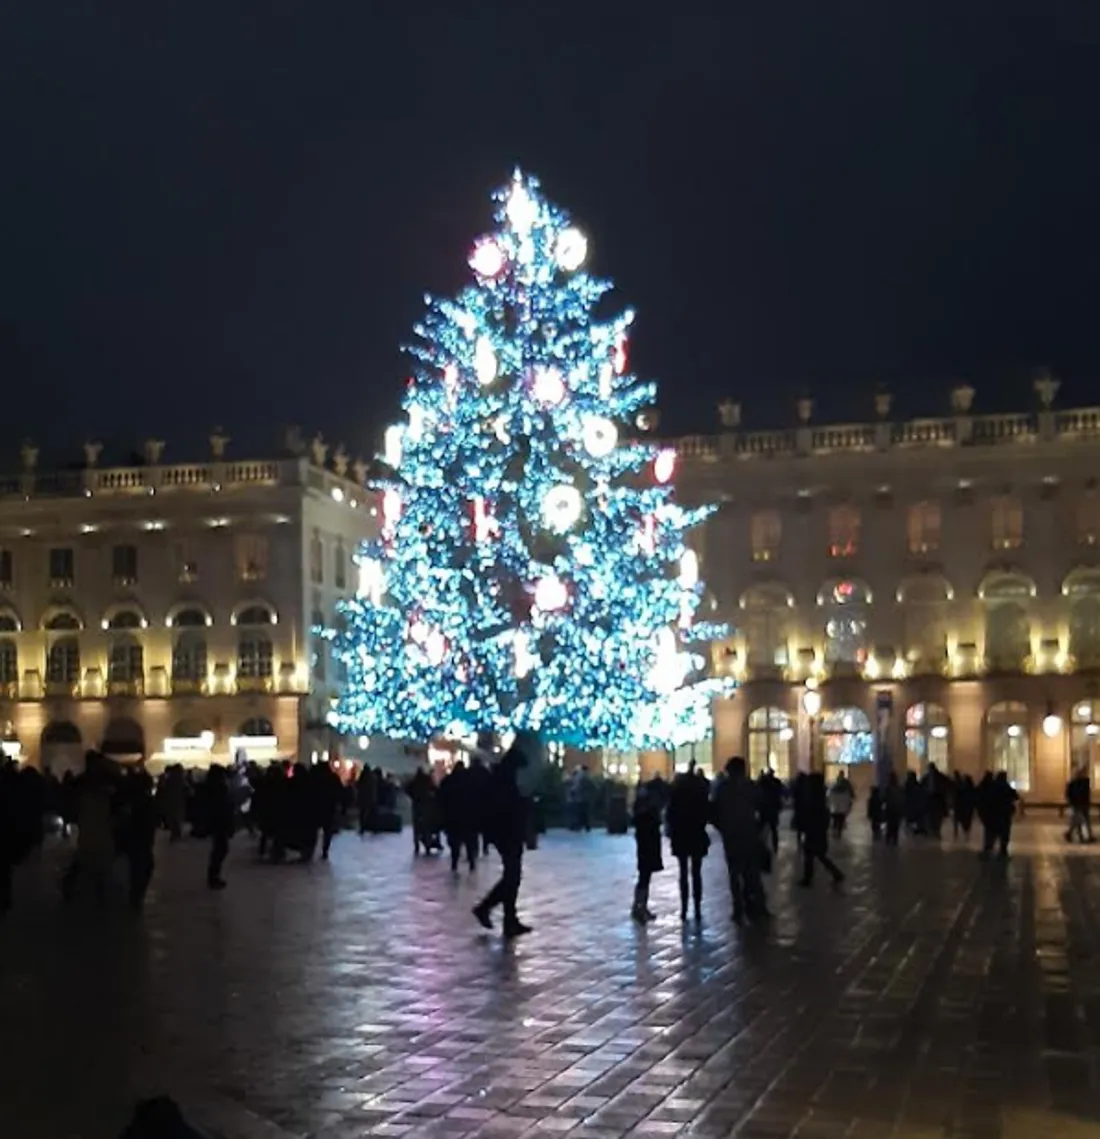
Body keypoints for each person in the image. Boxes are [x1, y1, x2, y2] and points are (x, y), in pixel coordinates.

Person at [473, 743, 531, 938]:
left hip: (504, 833)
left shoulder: (501, 778)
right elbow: (507, 808)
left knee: (512, 876)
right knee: (512, 876)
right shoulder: (504, 782)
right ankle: (491, 911)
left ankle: (506, 918)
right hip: (507, 832)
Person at [713, 756, 767, 923]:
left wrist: (723, 827)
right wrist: (758, 827)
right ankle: (755, 905)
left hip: (731, 836)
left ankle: (738, 907)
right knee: (752, 872)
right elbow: (763, 807)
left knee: (734, 873)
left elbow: (714, 812)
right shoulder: (750, 787)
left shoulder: (722, 789)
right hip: (749, 833)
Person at [62, 752, 115, 905]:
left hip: (91, 820)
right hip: (96, 819)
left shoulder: (83, 780)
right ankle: (99, 890)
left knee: (87, 854)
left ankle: (85, 887)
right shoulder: (102, 780)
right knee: (93, 855)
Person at [667, 761, 710, 923]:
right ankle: (697, 907)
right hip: (696, 833)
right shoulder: (700, 792)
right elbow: (706, 811)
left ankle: (684, 907)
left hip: (681, 835)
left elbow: (670, 814)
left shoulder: (677, 795)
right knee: (696, 872)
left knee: (683, 872)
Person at [121, 766, 157, 909]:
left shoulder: (133, 801)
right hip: (141, 839)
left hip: (136, 838)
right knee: (143, 866)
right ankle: (136, 896)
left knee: (137, 867)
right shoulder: (144, 801)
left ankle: (135, 896)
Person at [799, 772, 844, 887]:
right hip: (818, 829)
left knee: (813, 853)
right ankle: (835, 873)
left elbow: (812, 812)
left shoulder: (814, 796)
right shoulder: (820, 794)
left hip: (814, 829)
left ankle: (809, 878)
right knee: (817, 854)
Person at [630, 779, 664, 923]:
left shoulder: (642, 810)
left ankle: (640, 905)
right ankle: (640, 906)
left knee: (645, 875)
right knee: (645, 875)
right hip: (648, 844)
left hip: (645, 844)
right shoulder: (649, 812)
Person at [439, 759, 479, 873]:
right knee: (469, 840)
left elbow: (441, 796)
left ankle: (454, 862)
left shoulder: (448, 780)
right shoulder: (471, 781)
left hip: (452, 815)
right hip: (468, 815)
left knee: (454, 841)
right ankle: (471, 862)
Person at [204, 765, 235, 889]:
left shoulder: (212, 788)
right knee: (221, 849)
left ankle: (213, 875)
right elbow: (224, 807)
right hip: (220, 822)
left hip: (217, 822)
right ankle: (214, 876)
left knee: (219, 849)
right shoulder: (219, 788)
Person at [981, 771, 1018, 860]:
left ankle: (988, 849)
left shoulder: (992, 786)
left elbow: (986, 798)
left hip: (992, 814)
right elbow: (1015, 796)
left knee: (991, 833)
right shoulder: (1006, 787)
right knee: (1004, 833)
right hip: (1004, 814)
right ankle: (1003, 850)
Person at [757, 767, 783, 853]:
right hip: (772, 809)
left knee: (762, 828)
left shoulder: (763, 783)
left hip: (764, 808)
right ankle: (775, 846)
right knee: (773, 829)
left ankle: (761, 846)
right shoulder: (776, 782)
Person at [1065, 766, 1093, 843]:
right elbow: (1070, 794)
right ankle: (1084, 836)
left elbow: (1086, 793)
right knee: (1082, 820)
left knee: (1079, 820)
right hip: (1078, 804)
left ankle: (1072, 834)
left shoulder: (1084, 782)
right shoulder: (1075, 783)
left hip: (1082, 804)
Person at [828, 771, 854, 836]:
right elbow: (849, 793)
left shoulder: (835, 785)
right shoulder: (845, 786)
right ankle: (839, 831)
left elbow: (830, 796)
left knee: (836, 818)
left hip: (836, 806)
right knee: (840, 818)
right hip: (842, 806)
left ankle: (835, 830)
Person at [883, 770, 903, 846]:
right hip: (897, 809)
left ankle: (888, 840)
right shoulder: (899, 788)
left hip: (890, 809)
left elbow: (885, 799)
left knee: (890, 826)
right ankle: (894, 840)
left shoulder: (888, 788)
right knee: (895, 826)